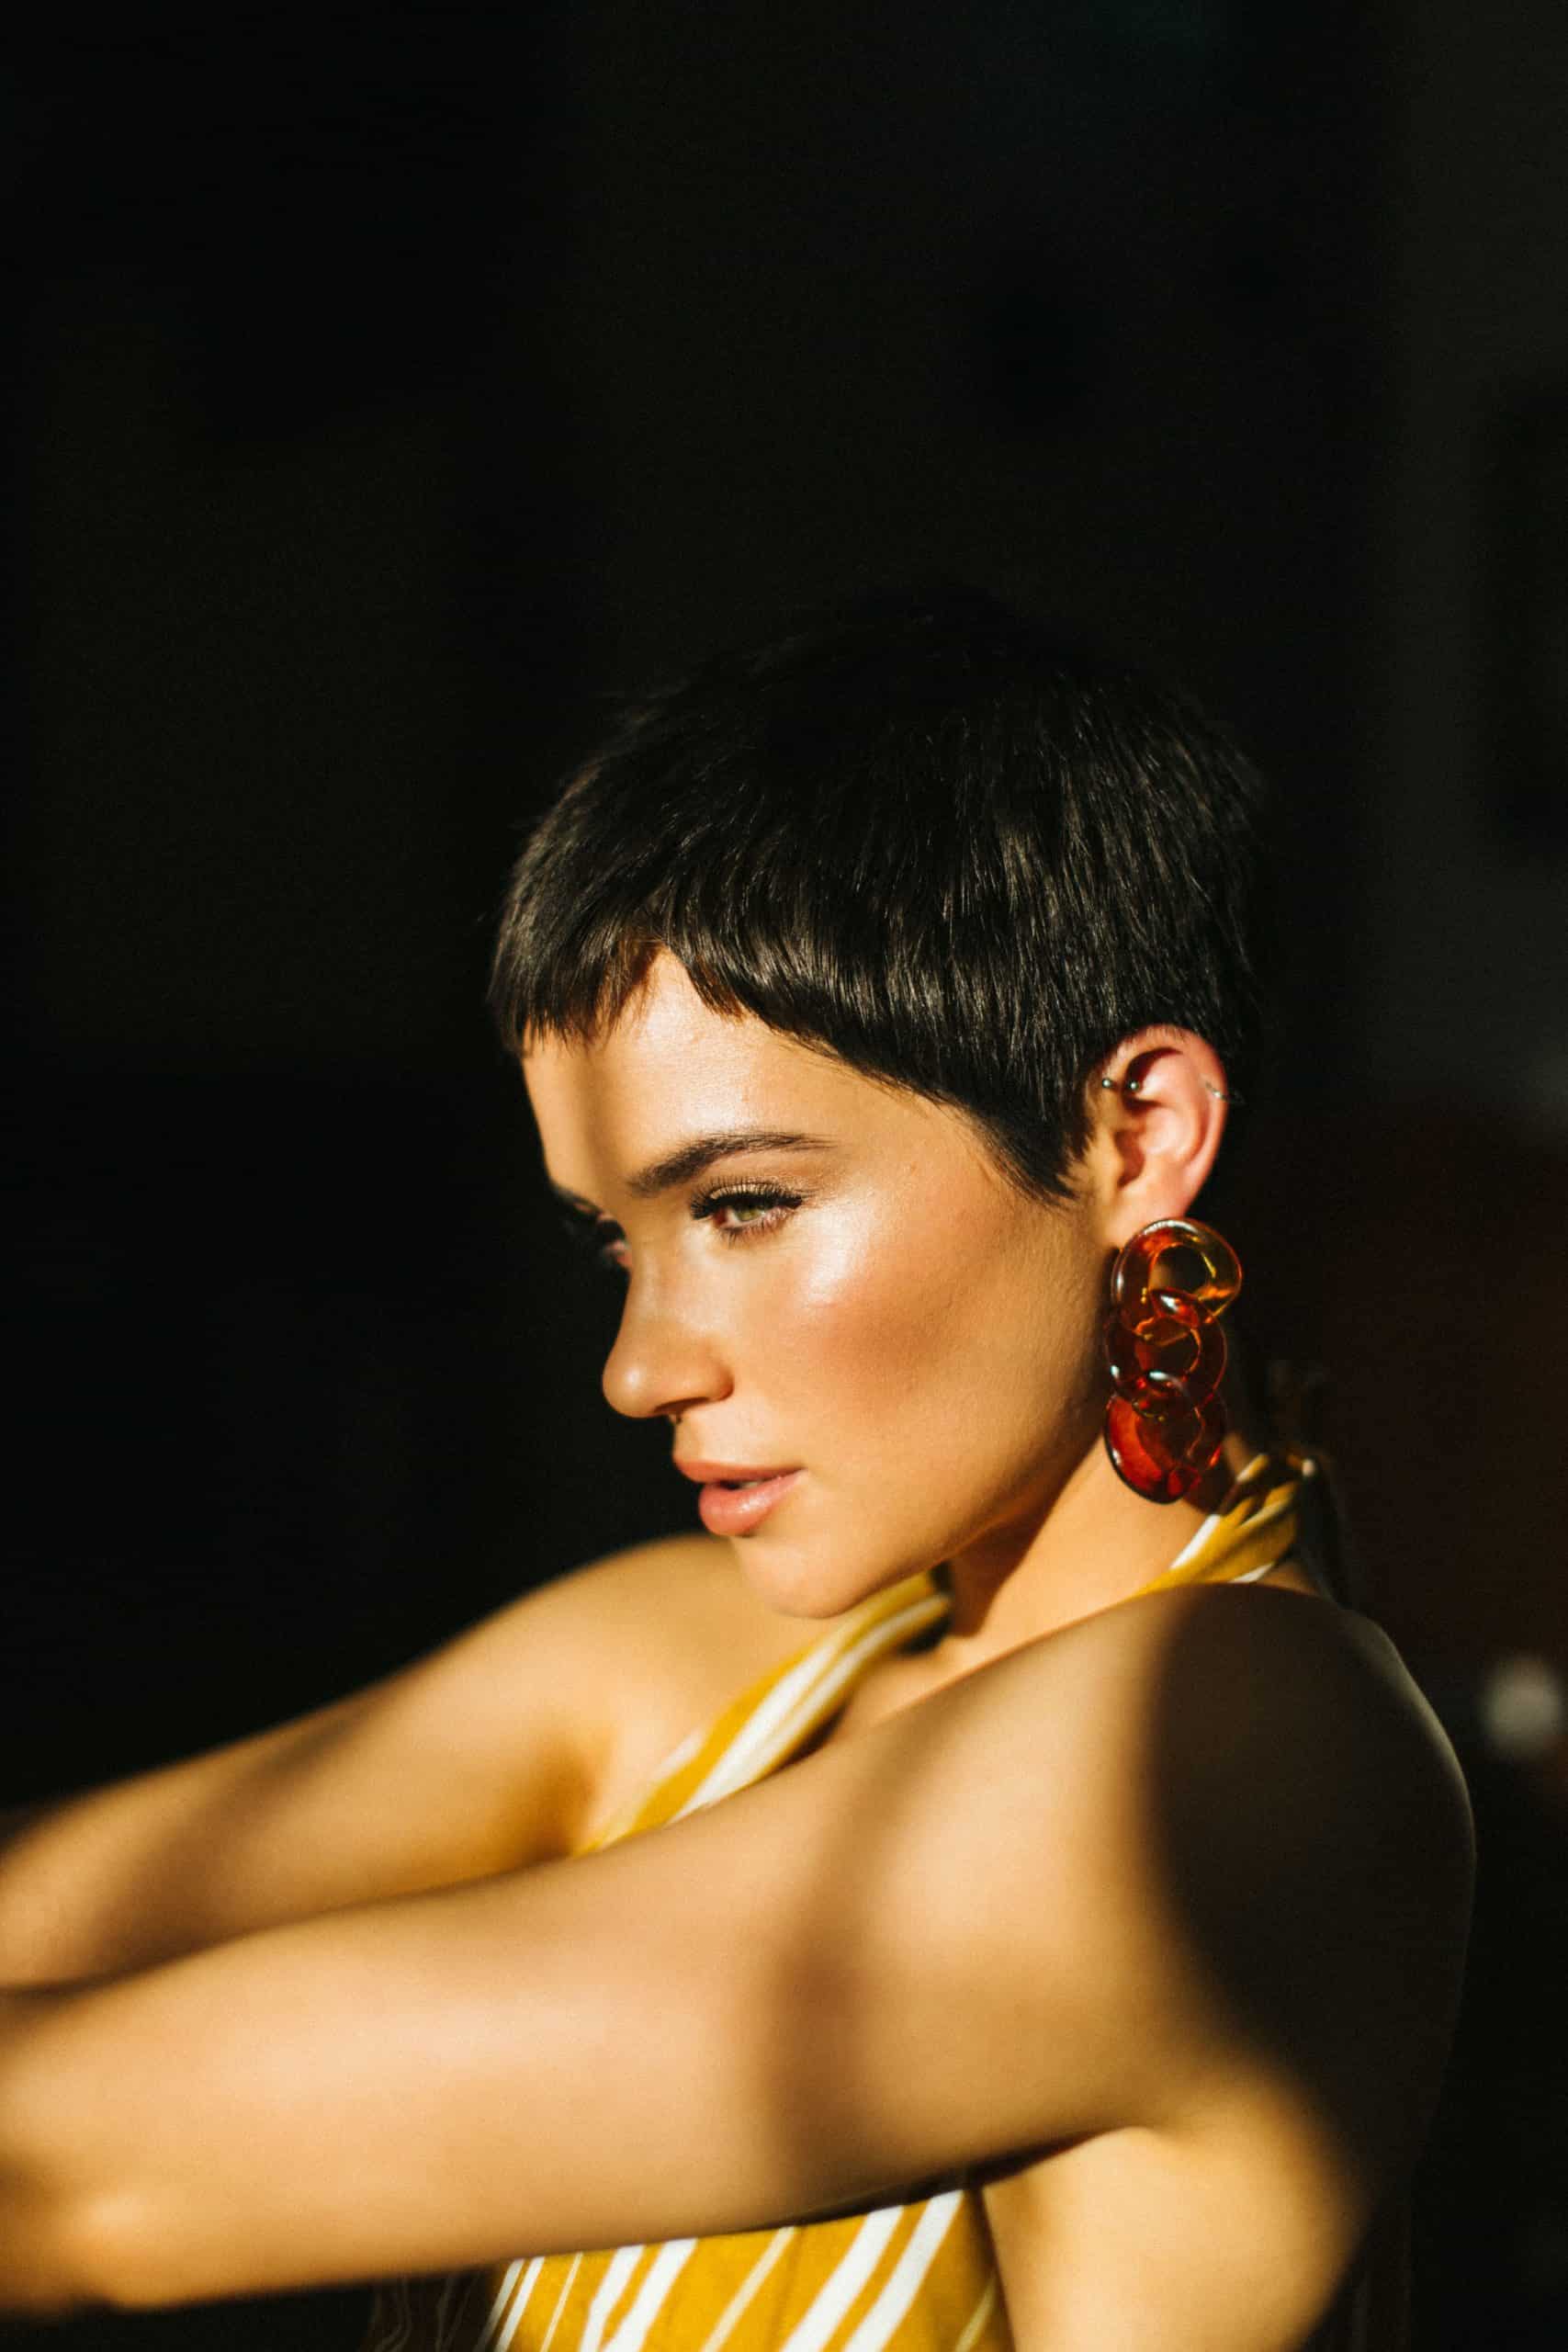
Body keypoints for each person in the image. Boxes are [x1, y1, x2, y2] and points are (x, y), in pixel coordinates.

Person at [0, 588, 1472, 2350]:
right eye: (615, 1241)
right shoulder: (686, 1665)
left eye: (746, 1203)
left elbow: (80, 2173)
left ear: (1133, 1132)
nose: (638, 1370)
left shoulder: (1238, 1748)